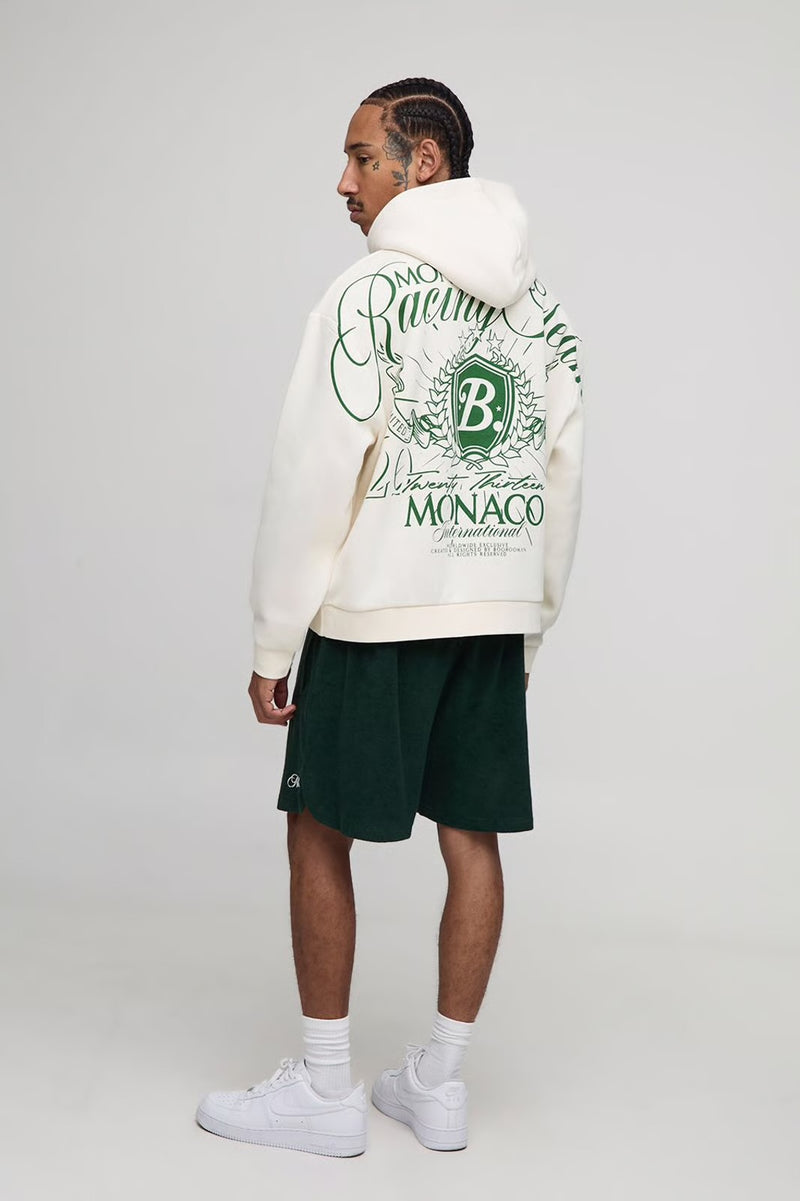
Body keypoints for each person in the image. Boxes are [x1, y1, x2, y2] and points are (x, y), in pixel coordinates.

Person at [195, 76, 585, 1158]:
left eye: (362, 156)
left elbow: (313, 476)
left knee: (318, 827)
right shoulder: (542, 312)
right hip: (492, 609)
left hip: (379, 610)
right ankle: (439, 1084)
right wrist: (529, 624)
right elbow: (562, 482)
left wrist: (275, 637)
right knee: (472, 835)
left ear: (423, 163)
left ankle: (327, 1089)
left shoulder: (365, 297)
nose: (343, 181)